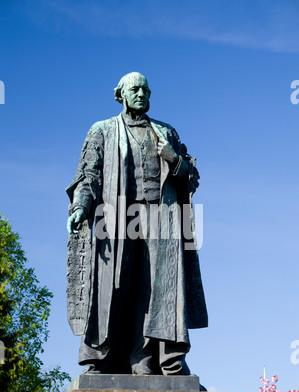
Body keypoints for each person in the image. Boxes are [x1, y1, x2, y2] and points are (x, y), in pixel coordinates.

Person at [66, 72, 208, 376]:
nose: (141, 93)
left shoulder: (165, 132)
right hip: (116, 218)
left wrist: (174, 159)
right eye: (135, 89)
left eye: (146, 89)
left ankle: (145, 359)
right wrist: (80, 206)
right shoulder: (102, 130)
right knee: (114, 286)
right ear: (120, 94)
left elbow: (191, 177)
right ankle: (102, 358)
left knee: (156, 291)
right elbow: (88, 176)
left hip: (162, 218)